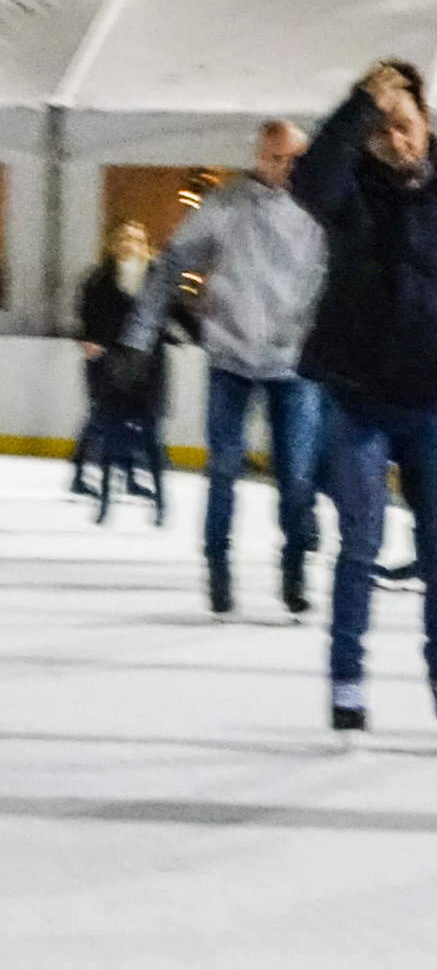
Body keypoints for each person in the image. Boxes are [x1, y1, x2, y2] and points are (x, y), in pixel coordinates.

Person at [292, 61, 437, 745]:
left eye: (404, 125)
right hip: (359, 397)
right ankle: (347, 680)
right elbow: (309, 178)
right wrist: (359, 103)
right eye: (381, 130)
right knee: (360, 543)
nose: (394, 141)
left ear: (426, 122)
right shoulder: (347, 195)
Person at [122, 120, 331, 616]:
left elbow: (351, 276)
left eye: (292, 159)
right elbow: (172, 261)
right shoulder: (226, 204)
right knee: (222, 469)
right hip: (231, 358)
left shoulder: (321, 209)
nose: (282, 168)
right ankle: (217, 565)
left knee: (298, 475)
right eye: (274, 157)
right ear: (258, 156)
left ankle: (296, 561)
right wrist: (137, 336)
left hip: (294, 364)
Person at [74, 222, 177, 521]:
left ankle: (160, 504)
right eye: (124, 238)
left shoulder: (157, 277)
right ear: (113, 243)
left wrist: (199, 333)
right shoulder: (99, 279)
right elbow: (87, 316)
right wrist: (88, 340)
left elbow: (174, 311)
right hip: (112, 366)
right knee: (111, 435)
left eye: (136, 238)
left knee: (152, 436)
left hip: (149, 367)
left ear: (145, 243)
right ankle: (106, 502)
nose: (130, 243)